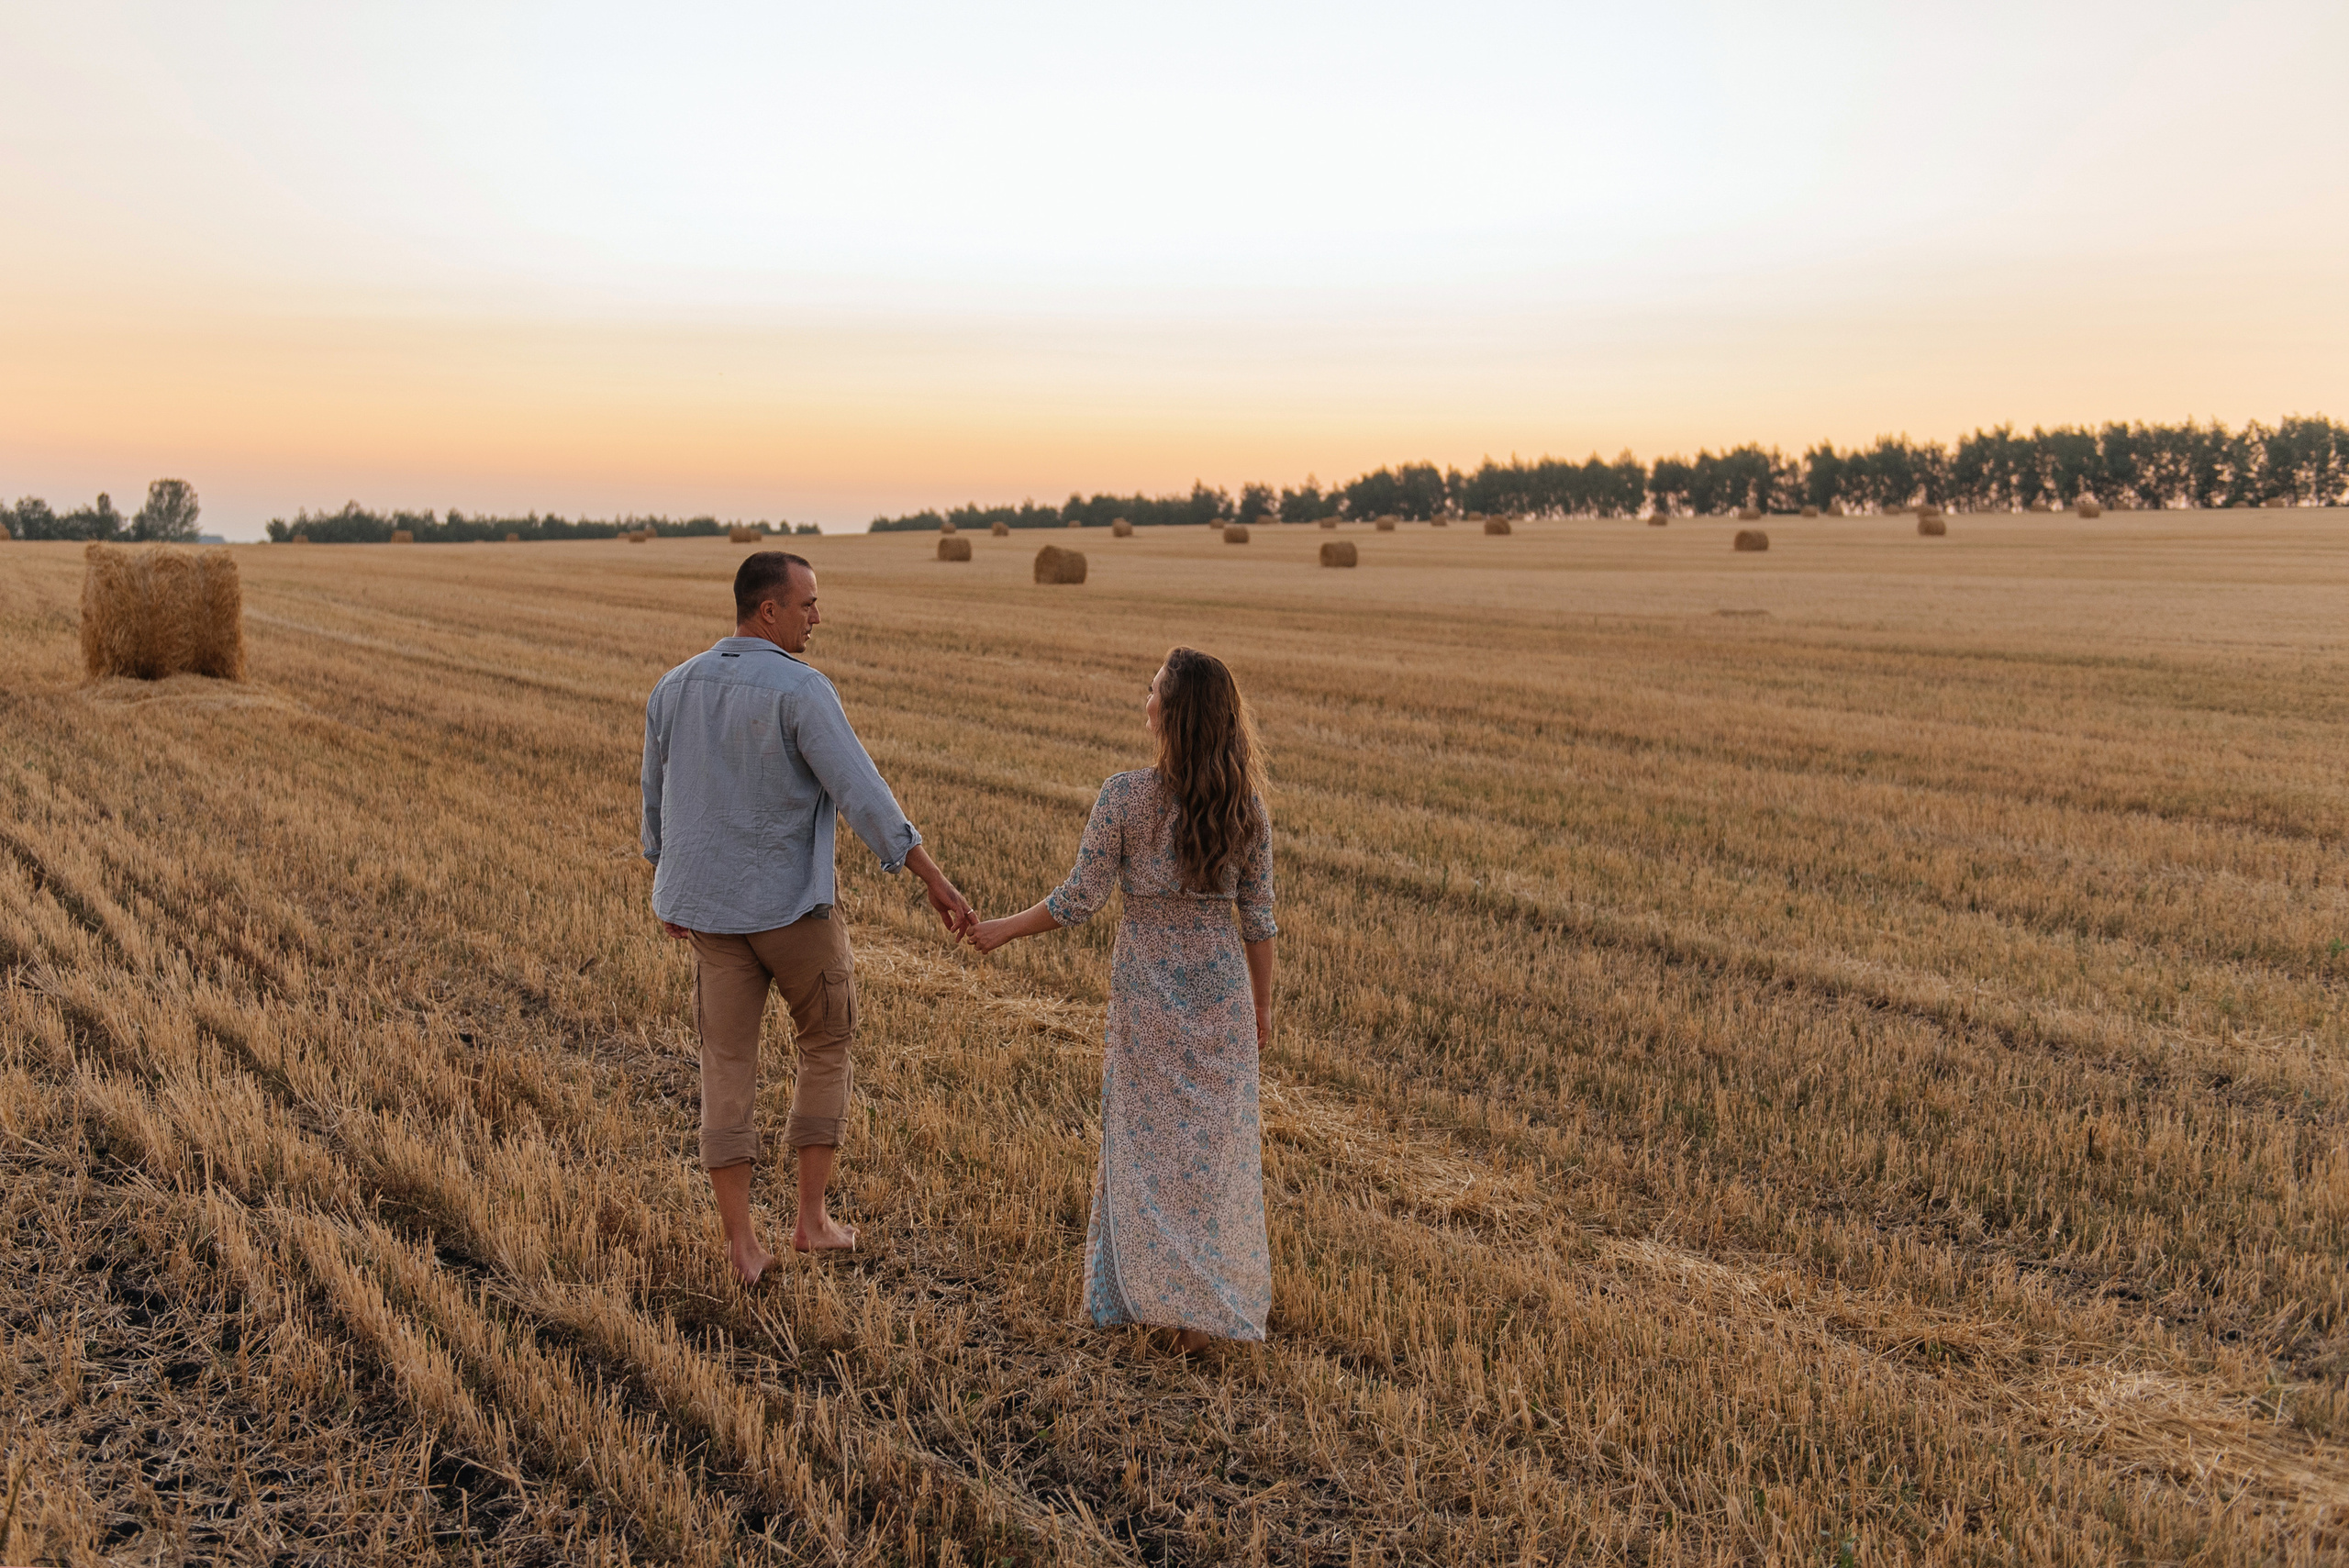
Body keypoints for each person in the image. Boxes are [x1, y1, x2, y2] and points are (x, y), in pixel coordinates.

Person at [642, 550, 975, 1284]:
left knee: (726, 1065)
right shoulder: (801, 689)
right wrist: (931, 877)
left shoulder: (673, 686)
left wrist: (670, 885)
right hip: (793, 909)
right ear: (769, 610)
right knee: (826, 1040)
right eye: (808, 603)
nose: (817, 616)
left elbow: (657, 799)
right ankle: (811, 1219)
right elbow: (862, 791)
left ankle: (741, 1246)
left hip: (713, 917)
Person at [969, 647, 1275, 1352]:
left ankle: (1148, 1298)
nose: (1146, 700)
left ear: (1175, 713)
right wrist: (1261, 1007)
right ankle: (1198, 1313)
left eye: (1154, 690)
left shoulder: (1124, 796)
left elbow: (1078, 899)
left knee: (1146, 1146)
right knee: (1209, 1156)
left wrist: (1002, 929)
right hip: (1221, 994)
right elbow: (1258, 921)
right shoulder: (1245, 809)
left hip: (1148, 995)